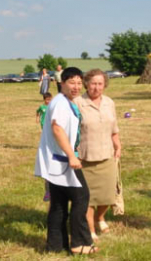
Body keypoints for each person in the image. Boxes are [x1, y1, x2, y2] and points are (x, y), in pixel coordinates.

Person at [34, 67, 97, 255]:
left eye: (79, 83)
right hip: (63, 161)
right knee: (81, 197)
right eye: (72, 82)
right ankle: (80, 243)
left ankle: (55, 245)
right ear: (62, 83)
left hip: (56, 161)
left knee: (59, 204)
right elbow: (57, 129)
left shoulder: (64, 101)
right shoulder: (61, 103)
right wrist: (71, 155)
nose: (76, 87)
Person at [75, 69, 123, 242]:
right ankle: (90, 229)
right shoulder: (78, 103)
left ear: (105, 85)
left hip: (107, 155)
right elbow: (71, 132)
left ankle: (100, 217)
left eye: (100, 84)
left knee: (108, 194)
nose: (96, 87)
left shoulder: (109, 103)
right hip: (85, 157)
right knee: (88, 198)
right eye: (93, 83)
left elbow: (114, 128)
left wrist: (117, 145)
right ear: (86, 84)